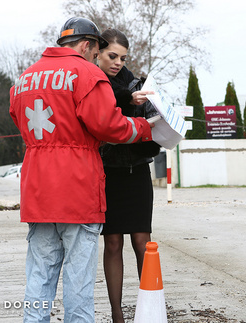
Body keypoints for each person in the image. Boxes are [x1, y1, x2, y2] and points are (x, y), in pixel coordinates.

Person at [9, 18, 153, 323]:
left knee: (39, 278)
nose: (96, 58)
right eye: (97, 51)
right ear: (87, 46)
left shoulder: (25, 78)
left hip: (38, 192)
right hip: (77, 191)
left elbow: (18, 119)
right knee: (78, 283)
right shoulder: (86, 73)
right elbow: (108, 125)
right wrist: (142, 128)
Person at [97, 28, 161, 323]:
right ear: (97, 51)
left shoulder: (138, 84)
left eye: (122, 57)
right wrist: (127, 101)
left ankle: (149, 308)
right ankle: (117, 313)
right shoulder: (90, 82)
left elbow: (148, 124)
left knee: (142, 241)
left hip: (137, 173)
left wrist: (161, 128)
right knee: (112, 243)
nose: (118, 62)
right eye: (112, 55)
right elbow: (105, 110)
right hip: (107, 173)